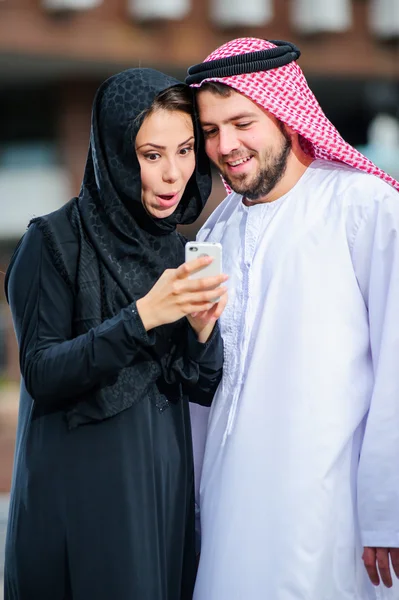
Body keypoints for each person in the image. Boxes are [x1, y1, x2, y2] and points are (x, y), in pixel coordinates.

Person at [185, 37, 399, 600]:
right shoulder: (215, 232)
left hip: (332, 513)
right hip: (227, 506)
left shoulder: (364, 206)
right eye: (209, 130)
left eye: (241, 122)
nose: (225, 145)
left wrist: (388, 510)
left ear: (284, 113)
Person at [4, 68, 228, 600]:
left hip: (164, 490)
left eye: (185, 149)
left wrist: (202, 331)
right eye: (152, 155)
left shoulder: (175, 252)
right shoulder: (52, 242)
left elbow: (200, 384)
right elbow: (40, 371)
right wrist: (143, 315)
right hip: (82, 494)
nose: (173, 174)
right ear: (116, 154)